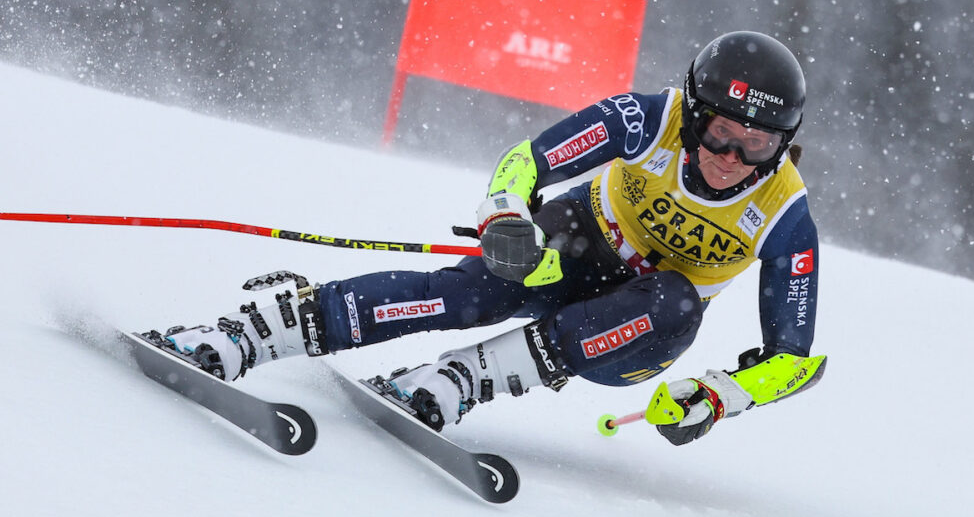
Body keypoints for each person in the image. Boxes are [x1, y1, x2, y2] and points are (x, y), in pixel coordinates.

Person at [153, 31, 826, 445]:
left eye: (757, 143)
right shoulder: (649, 118)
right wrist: (505, 215)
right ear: (693, 115)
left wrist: (717, 394)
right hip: (579, 245)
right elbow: (529, 161)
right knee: (475, 290)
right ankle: (261, 330)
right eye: (719, 133)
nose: (731, 158)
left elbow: (791, 360)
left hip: (639, 332)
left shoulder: (783, 213)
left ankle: (462, 379)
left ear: (783, 143)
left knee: (676, 298)